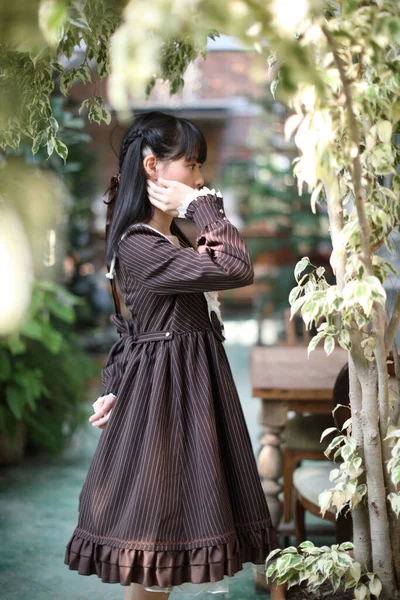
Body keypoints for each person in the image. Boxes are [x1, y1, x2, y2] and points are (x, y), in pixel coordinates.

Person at [64, 111, 278, 599]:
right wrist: (203, 205)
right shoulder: (139, 243)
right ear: (152, 166)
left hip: (186, 391)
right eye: (192, 164)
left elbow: (141, 328)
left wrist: (115, 385)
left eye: (201, 168)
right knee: (153, 544)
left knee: (164, 547)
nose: (201, 178)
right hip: (167, 400)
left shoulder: (170, 238)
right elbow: (236, 265)